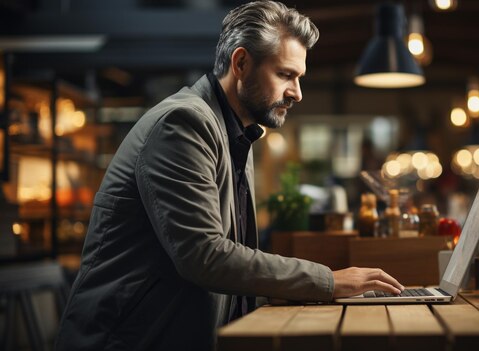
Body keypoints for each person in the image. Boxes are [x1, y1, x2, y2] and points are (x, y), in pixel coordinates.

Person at [55, 1, 404, 350]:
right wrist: (327, 280)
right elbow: (204, 255)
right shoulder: (184, 124)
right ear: (241, 63)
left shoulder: (236, 131)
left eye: (299, 78)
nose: (297, 93)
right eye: (286, 75)